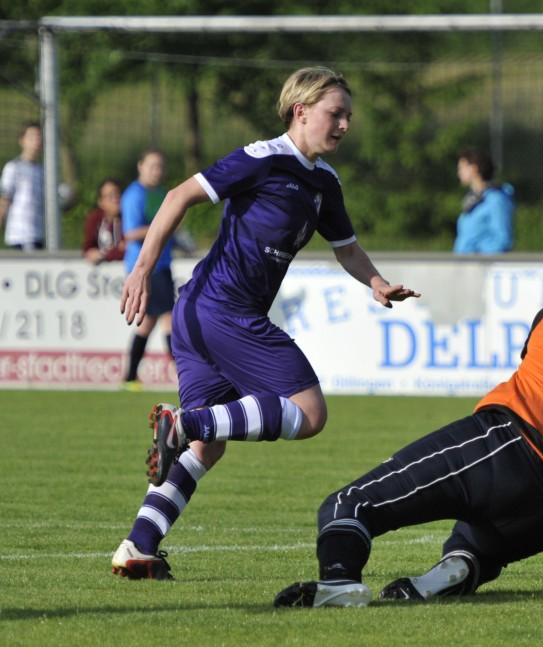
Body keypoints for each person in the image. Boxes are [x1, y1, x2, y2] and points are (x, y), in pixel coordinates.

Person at [112, 66, 420, 580]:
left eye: (348, 115)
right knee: (309, 413)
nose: (344, 125)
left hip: (202, 314)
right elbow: (178, 196)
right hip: (223, 311)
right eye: (335, 114)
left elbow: (347, 249)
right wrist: (142, 268)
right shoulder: (263, 158)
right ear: (301, 111)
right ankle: (183, 422)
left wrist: (376, 282)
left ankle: (139, 546)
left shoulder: (324, 181)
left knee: (206, 447)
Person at [273, 254, 543, 608]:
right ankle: (453, 572)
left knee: (349, 505)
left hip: (505, 447)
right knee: (472, 545)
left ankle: (339, 582)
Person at [121, 149, 176, 391]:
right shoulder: (134, 195)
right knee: (170, 319)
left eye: (160, 166)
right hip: (145, 267)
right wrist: (162, 226)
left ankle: (130, 377)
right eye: (152, 165)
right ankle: (185, 376)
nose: (157, 171)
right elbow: (131, 233)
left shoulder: (162, 193)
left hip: (162, 264)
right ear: (140, 166)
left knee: (149, 323)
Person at [452, 148, 515, 255]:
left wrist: (478, 255)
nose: (459, 172)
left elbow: (502, 239)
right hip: (465, 262)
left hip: (481, 263)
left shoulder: (496, 199)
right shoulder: (472, 201)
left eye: (462, 168)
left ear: (474, 168)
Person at [0, 121, 45, 251]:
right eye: (32, 137)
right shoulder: (13, 167)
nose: (36, 141)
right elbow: (4, 199)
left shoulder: (42, 171)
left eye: (39, 137)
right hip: (20, 235)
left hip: (39, 234)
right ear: (22, 140)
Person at [82, 178, 125, 264]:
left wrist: (104, 254)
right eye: (110, 196)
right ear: (101, 202)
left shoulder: (128, 218)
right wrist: (94, 254)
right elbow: (88, 249)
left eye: (117, 194)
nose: (115, 199)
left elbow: (128, 248)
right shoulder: (94, 219)